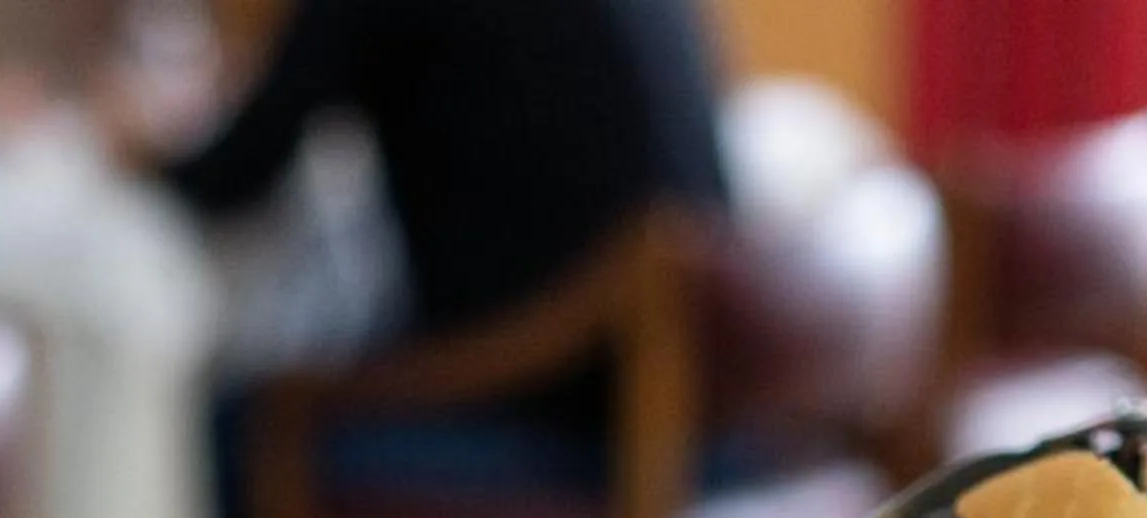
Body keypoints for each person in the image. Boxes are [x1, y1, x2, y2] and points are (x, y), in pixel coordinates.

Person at [117, 0, 730, 345]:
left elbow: (232, 176)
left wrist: (133, 141)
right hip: (703, 393)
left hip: (551, 399)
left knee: (237, 429)